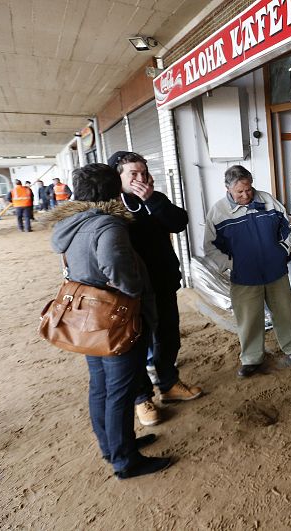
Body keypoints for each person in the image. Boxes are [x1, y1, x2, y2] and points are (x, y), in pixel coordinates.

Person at [49, 163, 171, 479]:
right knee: (120, 390)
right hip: (115, 319)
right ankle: (126, 461)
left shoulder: (72, 223)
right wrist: (134, 291)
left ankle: (113, 447)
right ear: (112, 190)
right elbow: (118, 270)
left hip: (89, 319)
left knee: (101, 386)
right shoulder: (108, 226)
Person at [107, 151, 202, 427]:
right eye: (133, 174)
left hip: (163, 281)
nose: (140, 179)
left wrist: (151, 199)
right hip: (132, 290)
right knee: (136, 344)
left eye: (144, 173)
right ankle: (141, 398)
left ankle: (169, 384)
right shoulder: (112, 207)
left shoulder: (154, 199)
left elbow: (179, 222)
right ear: (118, 177)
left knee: (168, 335)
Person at [204, 165, 291, 377]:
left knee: (285, 312)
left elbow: (286, 228)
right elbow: (210, 247)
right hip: (244, 277)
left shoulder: (267, 200)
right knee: (249, 319)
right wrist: (233, 264)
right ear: (228, 189)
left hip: (275, 271)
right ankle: (251, 359)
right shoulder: (218, 212)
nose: (246, 195)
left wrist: (282, 251)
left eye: (249, 189)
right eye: (240, 192)